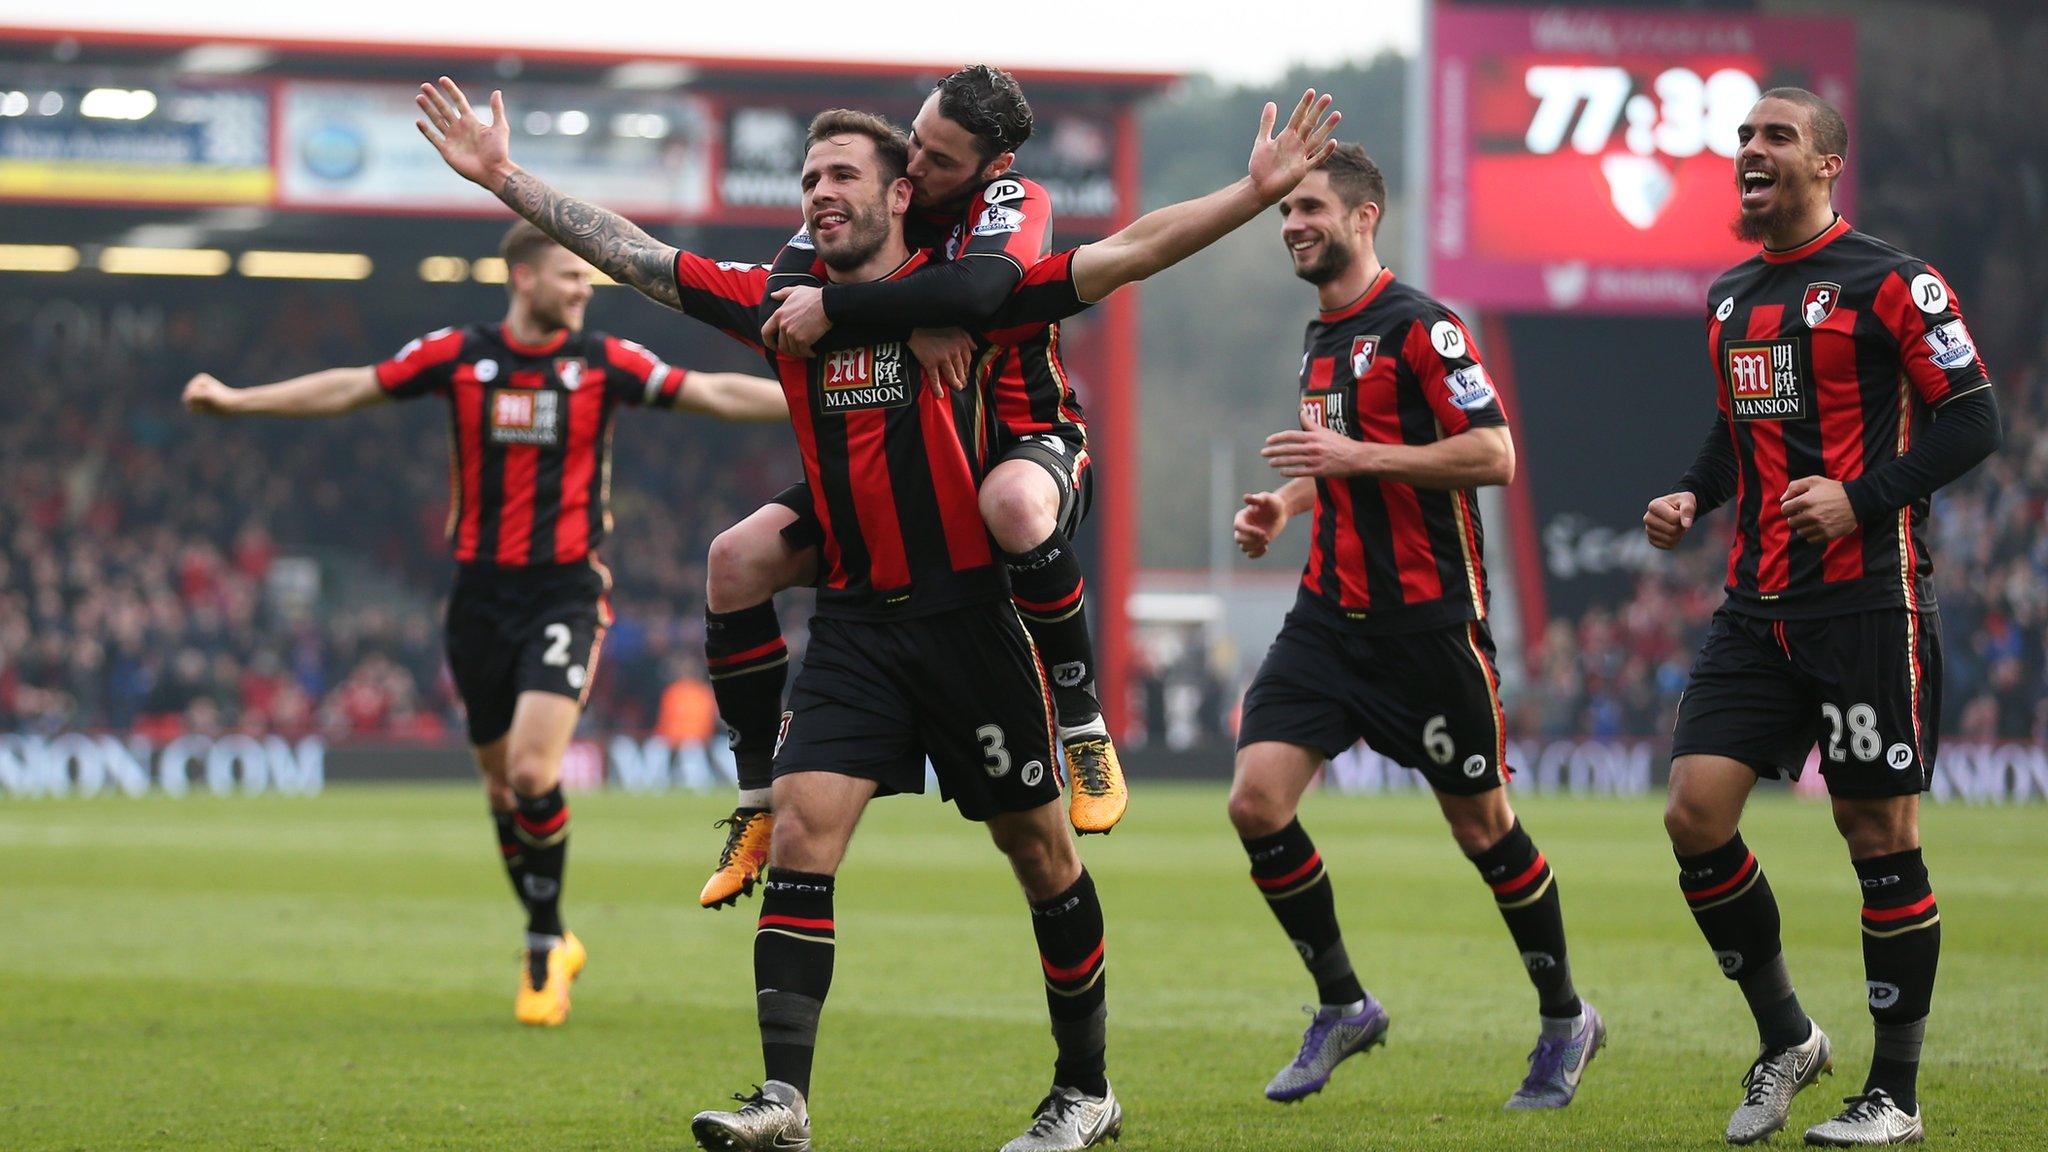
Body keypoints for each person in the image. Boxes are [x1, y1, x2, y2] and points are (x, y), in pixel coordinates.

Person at [414, 74, 1335, 1152]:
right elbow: (633, 253)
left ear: (904, 194)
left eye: (841, 174)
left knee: (1040, 857)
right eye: (807, 178)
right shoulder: (779, 297)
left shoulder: (970, 299)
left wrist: (1247, 190)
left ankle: (1084, 1089)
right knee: (803, 830)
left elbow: (1128, 250)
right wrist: (500, 177)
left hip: (974, 616)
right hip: (856, 620)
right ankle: (781, 1100)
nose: (816, 192)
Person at [181, 221, 788, 1027]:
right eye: (571, 276)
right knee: (503, 790)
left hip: (566, 592)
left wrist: (822, 400)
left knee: (536, 774)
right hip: (476, 602)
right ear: (525, 277)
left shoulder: (601, 364)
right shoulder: (460, 357)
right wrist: (238, 401)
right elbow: (352, 385)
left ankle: (542, 946)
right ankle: (552, 930)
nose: (583, 289)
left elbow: (710, 392)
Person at [1643, 87, 2000, 1147]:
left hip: (1863, 602)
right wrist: (1690, 496)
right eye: (1742, 138)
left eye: (1774, 137)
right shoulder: (1726, 298)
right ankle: (1788, 1038)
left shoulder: (1892, 282)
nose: (1749, 151)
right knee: (1692, 818)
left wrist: (1862, 496)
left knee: (1875, 832)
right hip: (1753, 609)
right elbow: (1731, 431)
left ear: (1826, 164)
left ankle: (1893, 1093)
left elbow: (1973, 417)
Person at [698, 64, 1122, 916]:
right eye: (917, 140)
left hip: (1020, 438)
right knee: (735, 557)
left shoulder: (1009, 210)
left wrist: (865, 310)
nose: (920, 164)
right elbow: (782, 289)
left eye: (940, 157)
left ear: (989, 168)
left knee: (1010, 505)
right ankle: (754, 800)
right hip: (892, 476)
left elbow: (981, 288)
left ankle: (1082, 722)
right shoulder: (863, 211)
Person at [1230, 143, 1601, 1110]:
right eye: (1284, 211)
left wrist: (1352, 457)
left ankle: (1566, 1017)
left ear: (1364, 218)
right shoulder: (1320, 337)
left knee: (1483, 829)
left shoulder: (1425, 329)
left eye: (1309, 206)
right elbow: (1339, 461)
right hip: (1327, 620)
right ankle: (1343, 1003)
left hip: (1430, 626)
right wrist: (1287, 501)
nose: (1291, 223)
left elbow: (1493, 454)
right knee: (1255, 803)